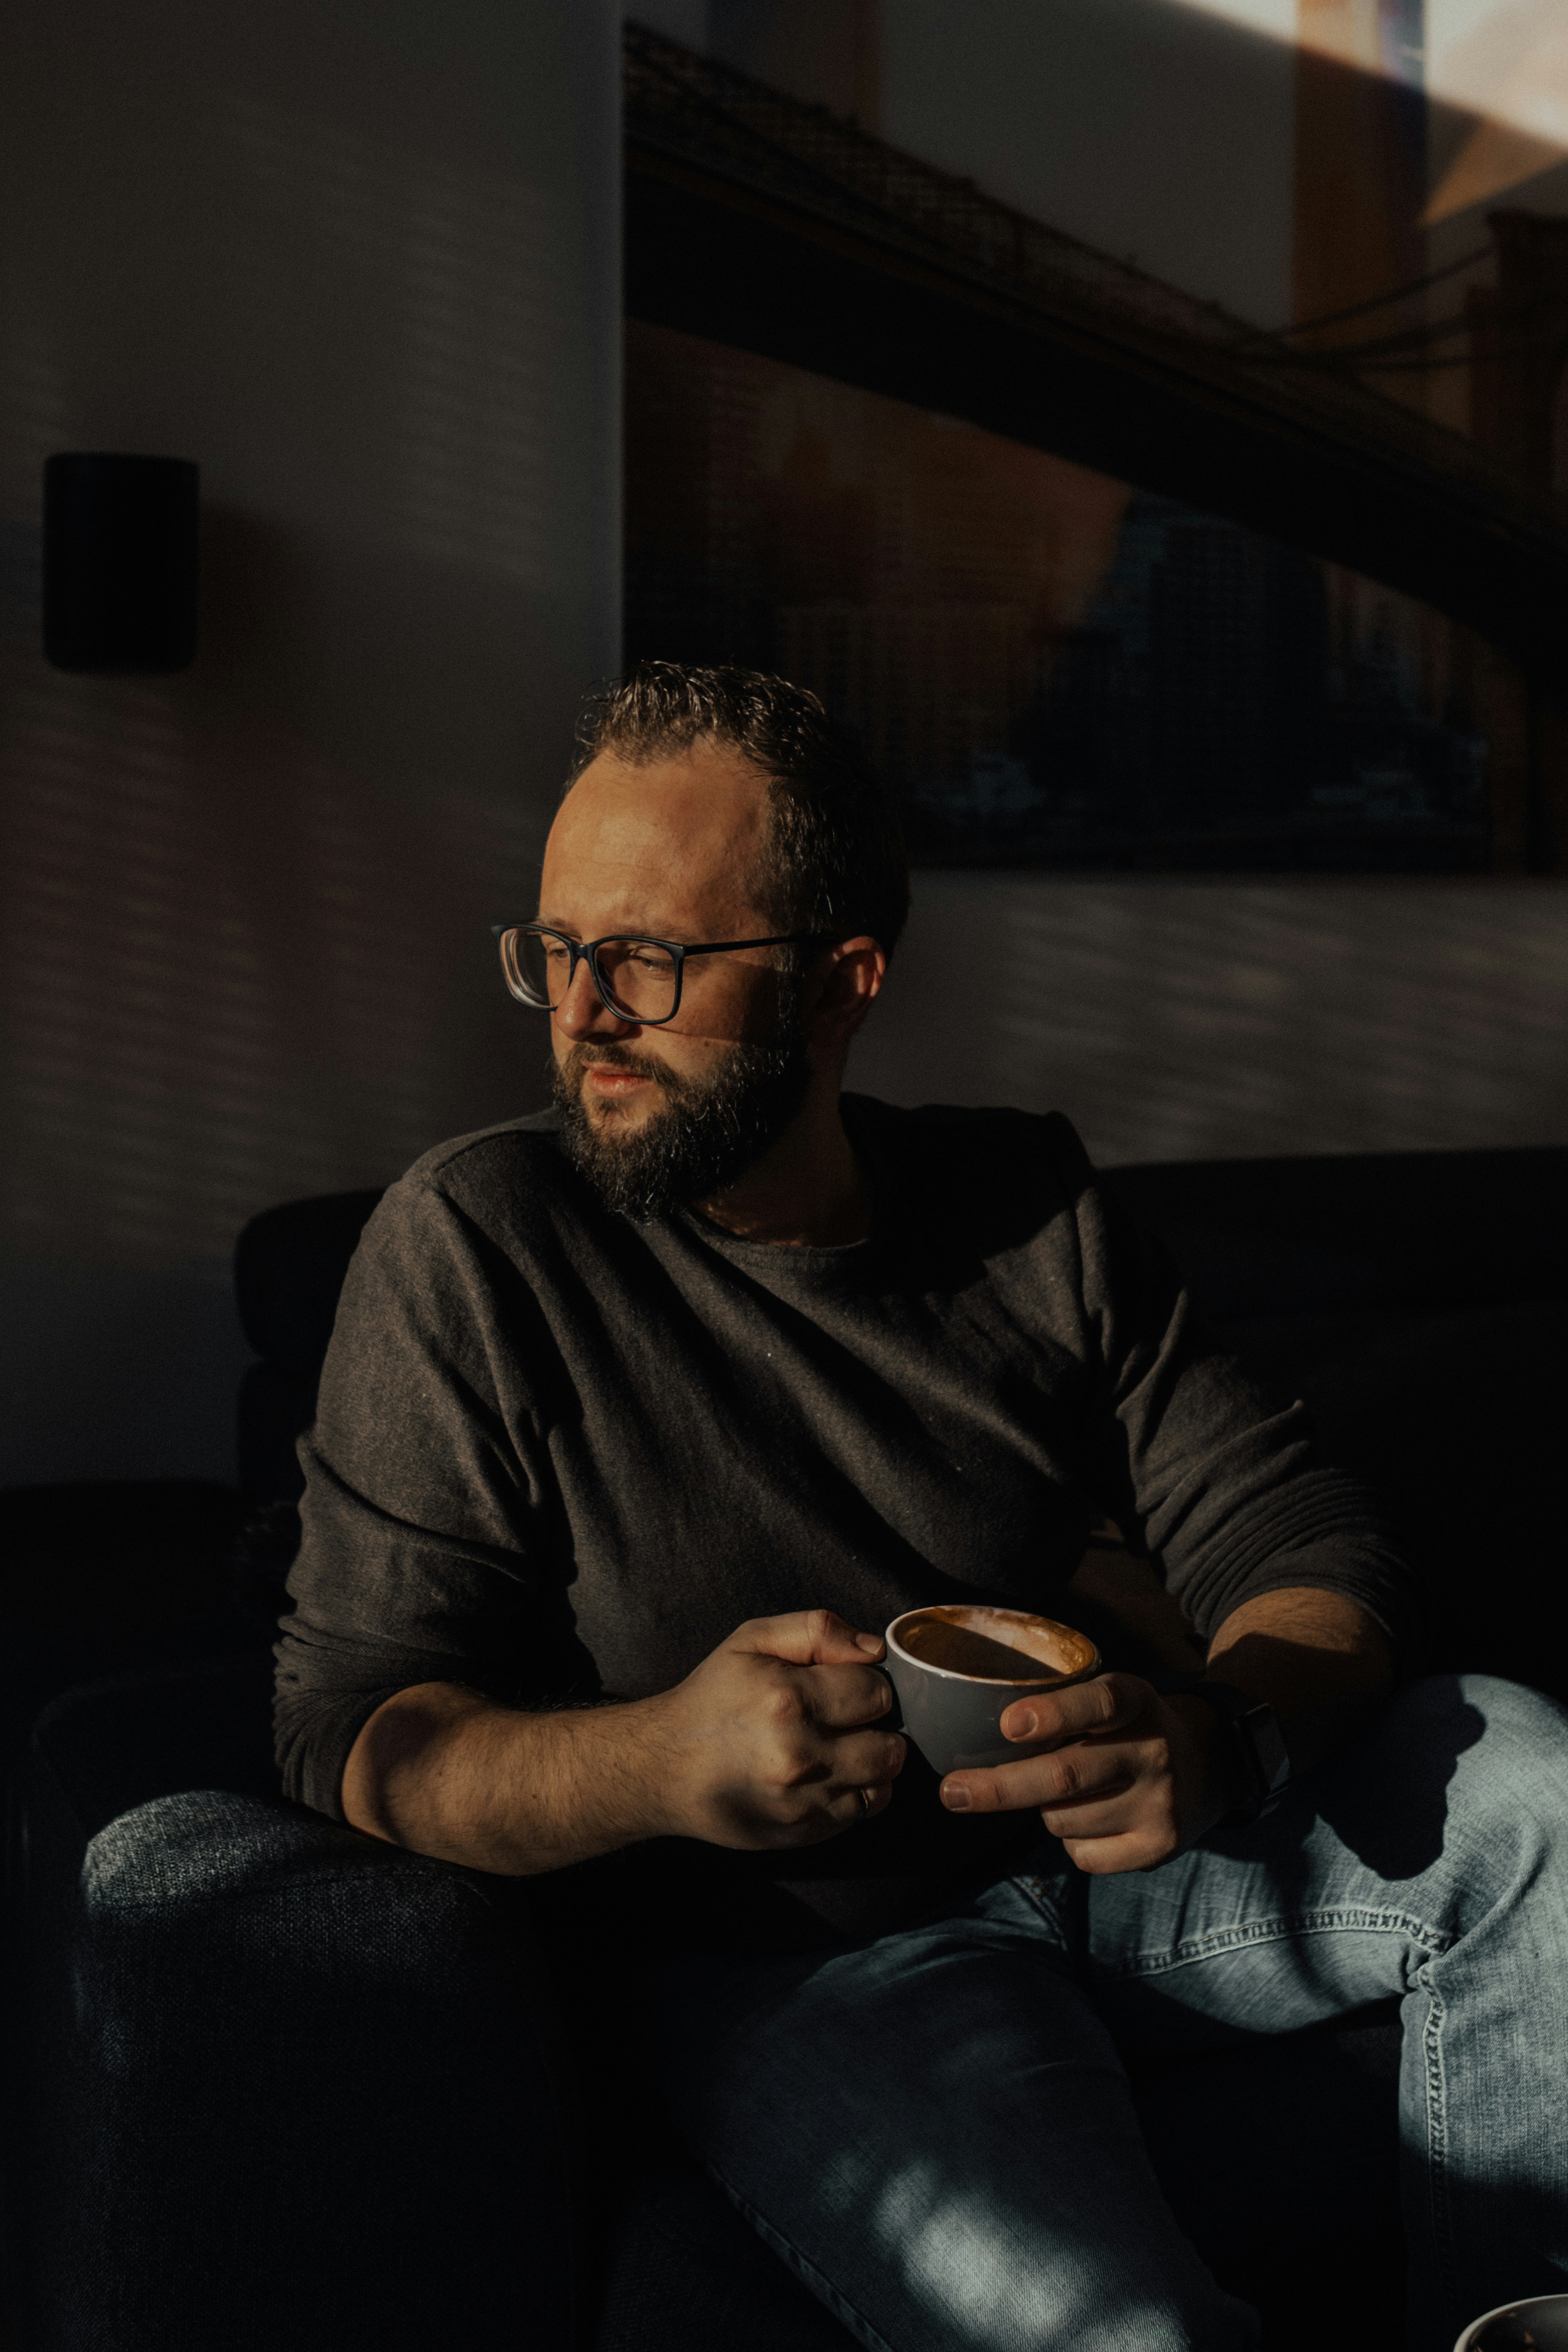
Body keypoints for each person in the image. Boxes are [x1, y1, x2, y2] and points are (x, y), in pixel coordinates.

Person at [276, 663, 1568, 2352]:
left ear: (840, 983)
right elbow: (352, 1729)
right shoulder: (476, 1244)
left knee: (1527, 1769)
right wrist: (661, 1755)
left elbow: (1307, 1547)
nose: (580, 1010)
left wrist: (1216, 1729)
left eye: (648, 959)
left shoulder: (1020, 1203)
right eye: (554, 948)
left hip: (1117, 1877)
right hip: (798, 1964)